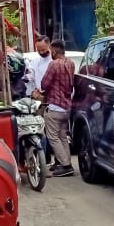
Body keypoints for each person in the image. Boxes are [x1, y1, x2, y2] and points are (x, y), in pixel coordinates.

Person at [41, 40, 76, 177]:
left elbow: (44, 84)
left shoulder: (54, 65)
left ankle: (66, 166)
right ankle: (66, 162)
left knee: (53, 137)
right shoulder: (71, 63)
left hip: (55, 106)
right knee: (62, 136)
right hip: (67, 106)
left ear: (54, 51)